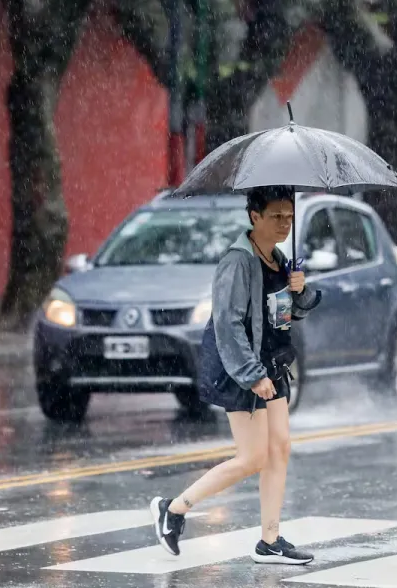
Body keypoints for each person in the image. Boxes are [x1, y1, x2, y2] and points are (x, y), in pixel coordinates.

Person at [149, 186, 322, 564]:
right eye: (276, 215)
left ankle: (270, 541)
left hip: (272, 367)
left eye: (289, 216)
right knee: (252, 458)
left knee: (279, 450)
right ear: (253, 216)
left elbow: (288, 315)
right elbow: (228, 325)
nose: (284, 223)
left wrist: (301, 290)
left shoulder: (279, 260)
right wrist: (250, 374)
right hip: (243, 370)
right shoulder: (238, 262)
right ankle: (174, 509)